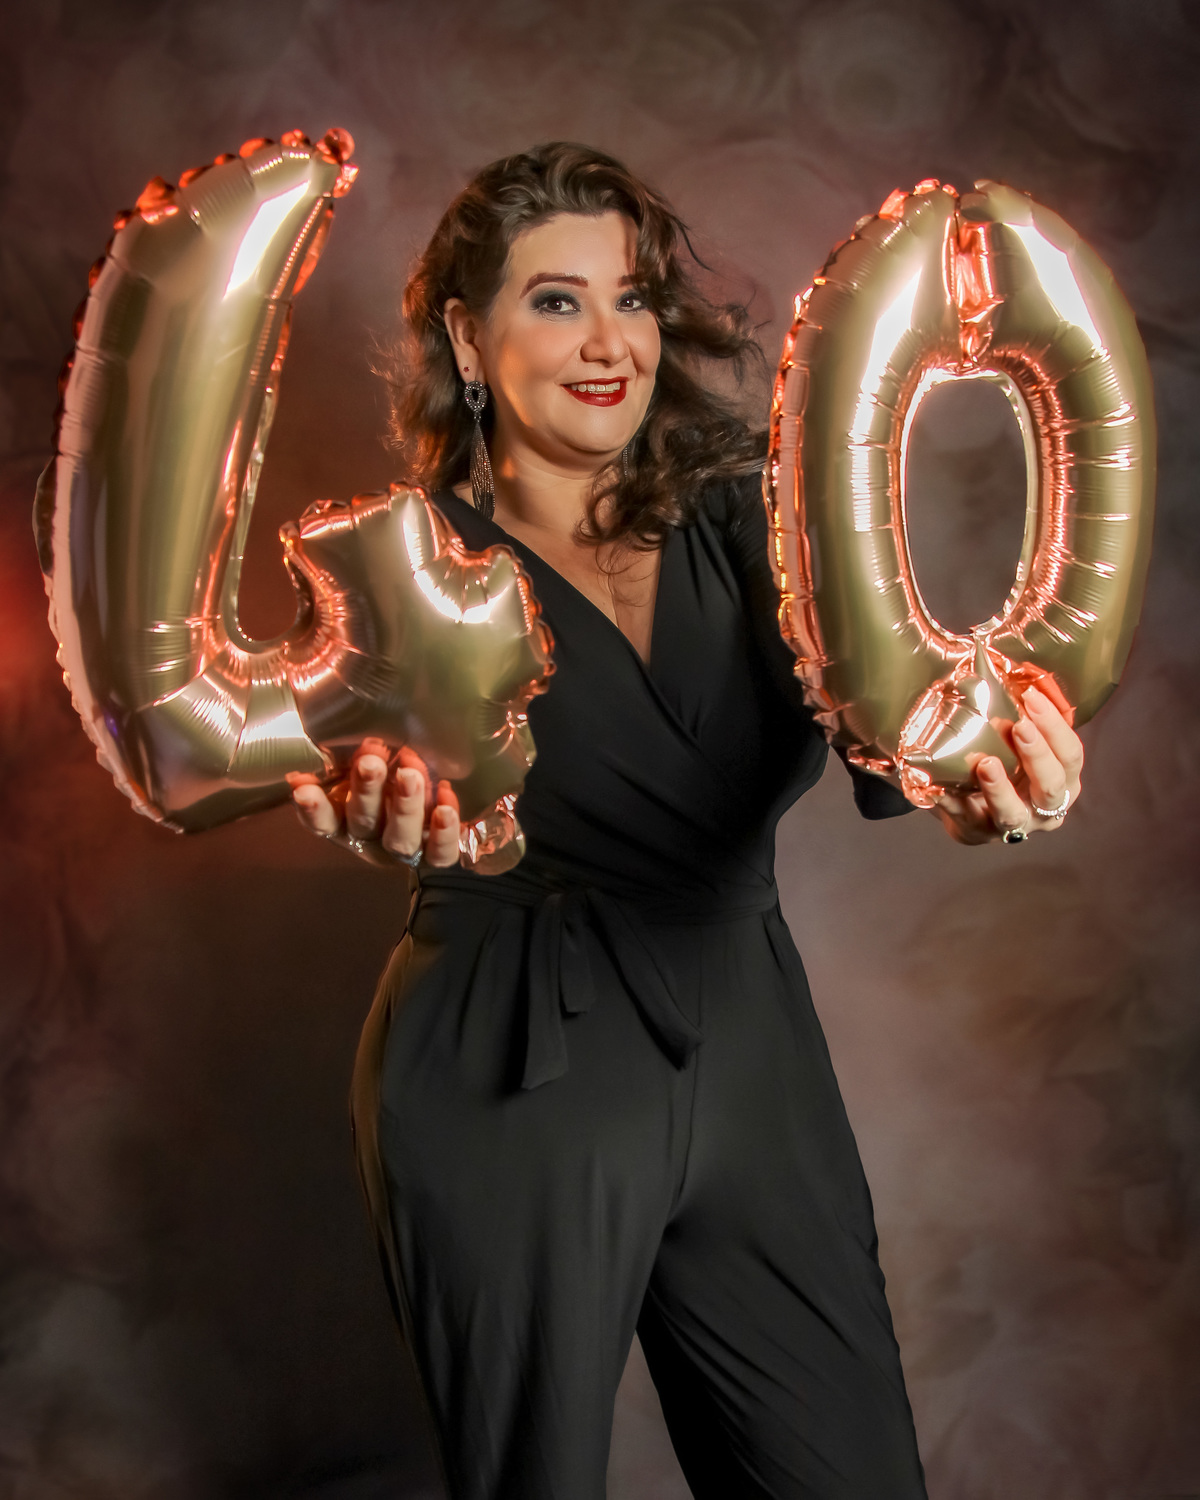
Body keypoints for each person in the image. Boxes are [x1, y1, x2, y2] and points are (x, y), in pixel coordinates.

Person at [288, 143, 1084, 1500]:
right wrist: (390, 816)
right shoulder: (406, 569)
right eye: (557, 301)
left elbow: (901, 747)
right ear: (468, 339)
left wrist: (1001, 793)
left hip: (749, 1039)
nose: (611, 342)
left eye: (635, 298)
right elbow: (372, 780)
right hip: (508, 1054)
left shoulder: (756, 514)